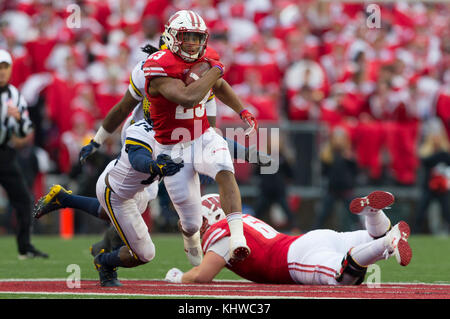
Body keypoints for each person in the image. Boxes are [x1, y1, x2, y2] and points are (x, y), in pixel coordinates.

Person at [142, 10, 260, 264]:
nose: (194, 44)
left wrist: (242, 110)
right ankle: (190, 235)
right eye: (188, 37)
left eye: (198, 38)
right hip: (171, 147)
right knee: (191, 220)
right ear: (173, 37)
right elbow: (188, 97)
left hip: (202, 135)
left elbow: (217, 86)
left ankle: (237, 238)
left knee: (225, 169)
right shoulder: (158, 65)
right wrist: (215, 71)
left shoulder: (208, 58)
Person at [165, 191, 412, 285]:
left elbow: (201, 275)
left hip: (296, 258)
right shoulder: (240, 221)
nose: (200, 227)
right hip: (312, 240)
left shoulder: (221, 232)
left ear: (213, 215)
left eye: (202, 221)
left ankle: (386, 243)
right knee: (371, 234)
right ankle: (374, 214)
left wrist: (177, 277)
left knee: (342, 278)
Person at [0, 49, 48, 259]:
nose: (2, 72)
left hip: (4, 152)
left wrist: (18, 119)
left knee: (23, 198)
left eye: (5, 67)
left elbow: (25, 130)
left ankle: (25, 246)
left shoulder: (14, 94)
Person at [414, 119, 450, 233]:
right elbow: (425, 161)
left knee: (447, 210)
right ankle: (415, 232)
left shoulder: (445, 151)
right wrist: (440, 155)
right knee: (421, 210)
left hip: (442, 188)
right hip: (428, 186)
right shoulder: (427, 151)